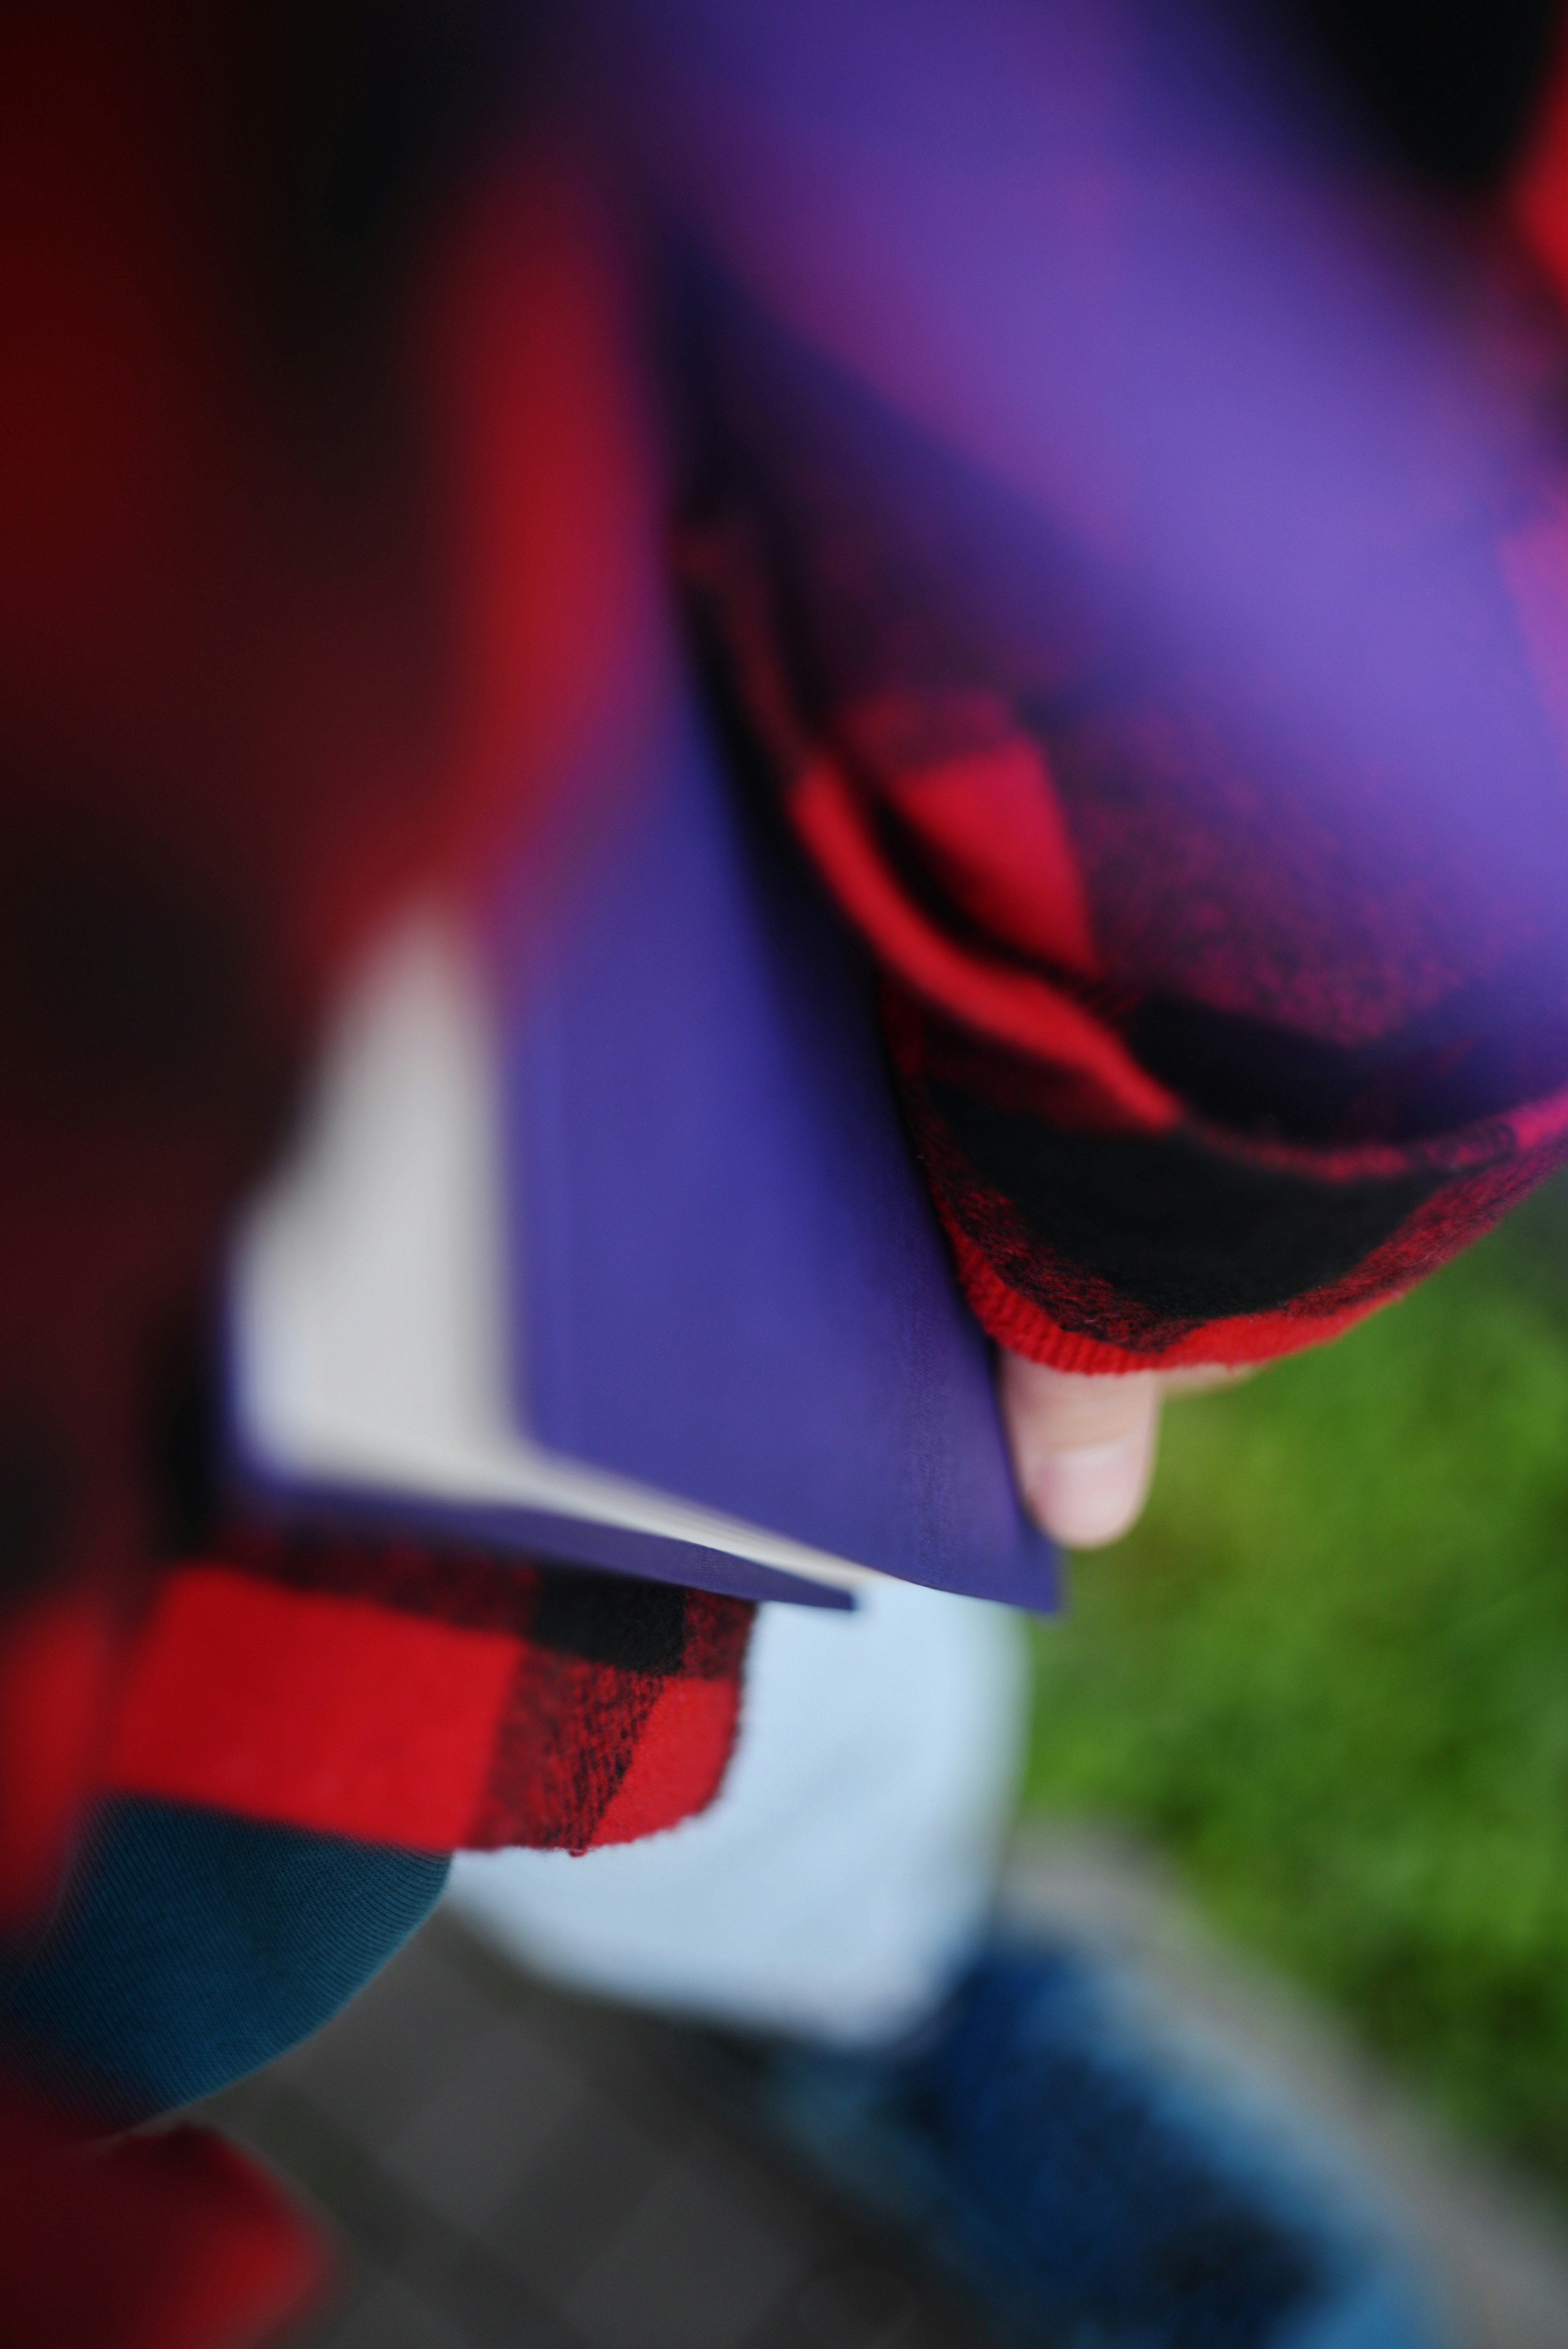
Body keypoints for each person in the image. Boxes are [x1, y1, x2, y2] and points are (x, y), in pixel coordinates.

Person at [8, 1, 1568, 2339]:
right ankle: (900, 1997)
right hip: (378, 1342)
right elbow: (1344, 430)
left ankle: (886, 1992)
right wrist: (1165, 1240)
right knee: (732, 1708)